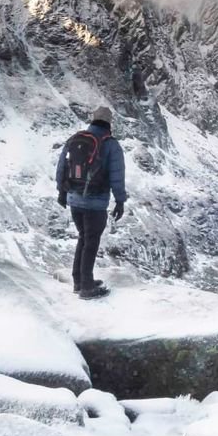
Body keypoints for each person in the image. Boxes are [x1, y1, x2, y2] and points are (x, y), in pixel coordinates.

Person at [55, 105, 127, 299]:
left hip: (74, 200)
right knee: (91, 241)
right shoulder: (111, 144)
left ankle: (79, 280)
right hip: (95, 203)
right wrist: (120, 201)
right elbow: (117, 177)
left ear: (93, 119)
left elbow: (62, 166)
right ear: (109, 123)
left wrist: (62, 192)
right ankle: (87, 287)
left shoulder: (75, 139)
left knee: (83, 237)